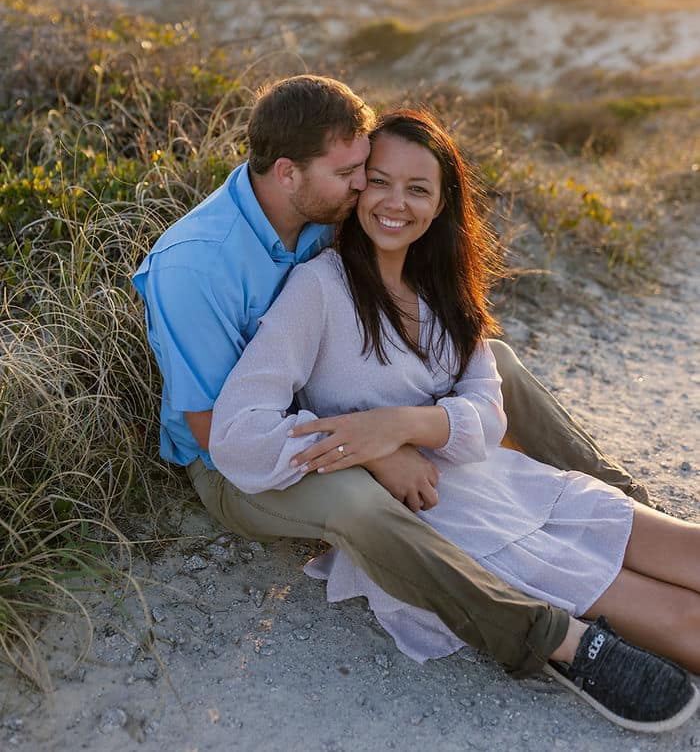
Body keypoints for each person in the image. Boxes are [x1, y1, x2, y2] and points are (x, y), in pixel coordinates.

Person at [133, 76, 695, 732]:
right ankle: (549, 640)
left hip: (385, 433)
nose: (367, 191)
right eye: (360, 176)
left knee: (503, 371)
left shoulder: (330, 224)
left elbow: (472, 387)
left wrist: (403, 426)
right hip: (235, 457)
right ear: (288, 174)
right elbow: (217, 430)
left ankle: (618, 504)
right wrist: (377, 453)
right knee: (358, 505)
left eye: (371, 174)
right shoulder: (200, 266)